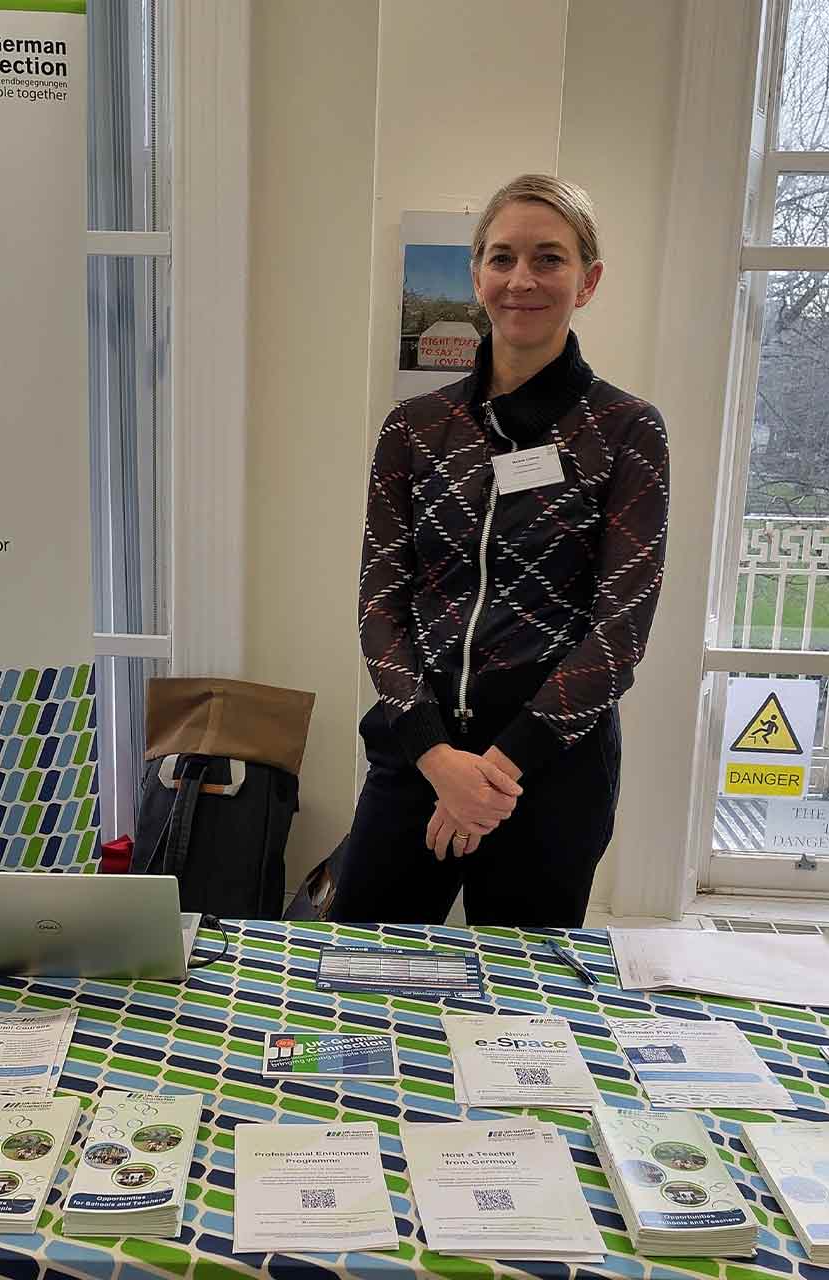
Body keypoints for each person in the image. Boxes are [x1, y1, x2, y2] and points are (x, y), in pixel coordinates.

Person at [330, 173, 670, 928]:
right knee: (363, 977)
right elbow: (381, 606)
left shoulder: (626, 431)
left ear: (588, 281)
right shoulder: (415, 429)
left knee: (523, 1015)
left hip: (549, 770)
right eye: (503, 258)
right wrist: (438, 760)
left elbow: (620, 633)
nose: (523, 279)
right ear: (476, 274)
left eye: (549, 259)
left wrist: (498, 770)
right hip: (418, 755)